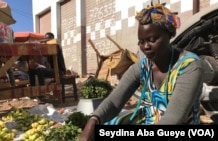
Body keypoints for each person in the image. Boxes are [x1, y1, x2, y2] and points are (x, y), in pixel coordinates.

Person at [79, 3, 203, 140]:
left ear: (169, 35)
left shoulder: (190, 67)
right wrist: (93, 120)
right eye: (141, 42)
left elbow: (173, 118)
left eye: (152, 40)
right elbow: (114, 102)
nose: (146, 47)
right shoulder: (143, 66)